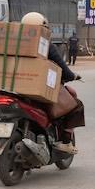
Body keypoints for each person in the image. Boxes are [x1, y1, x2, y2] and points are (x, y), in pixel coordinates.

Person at [21, 13, 83, 155]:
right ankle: (66, 141)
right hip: (39, 92)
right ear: (43, 28)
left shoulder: (15, 44)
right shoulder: (46, 46)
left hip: (17, 92)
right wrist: (72, 76)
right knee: (75, 103)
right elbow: (63, 69)